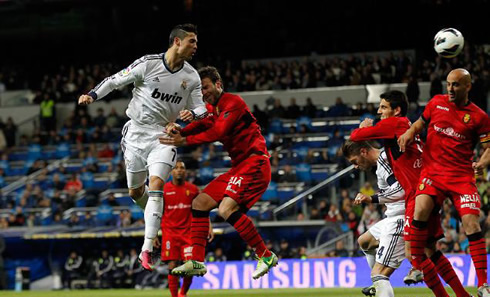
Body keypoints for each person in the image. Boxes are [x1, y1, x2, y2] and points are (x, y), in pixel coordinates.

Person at [78, 23, 207, 271]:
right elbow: (114, 81)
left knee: (157, 184)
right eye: (192, 41)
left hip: (163, 135)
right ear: (177, 42)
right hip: (136, 133)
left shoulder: (191, 77)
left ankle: (147, 248)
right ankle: (156, 220)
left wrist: (191, 113)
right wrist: (93, 95)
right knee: (136, 193)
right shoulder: (148, 64)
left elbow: (202, 108)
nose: (196, 46)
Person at [160, 66, 277, 279]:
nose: (203, 92)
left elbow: (218, 131)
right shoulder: (214, 110)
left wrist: (184, 140)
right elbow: (203, 124)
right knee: (199, 203)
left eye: (206, 87)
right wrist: (180, 130)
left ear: (218, 84)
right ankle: (196, 260)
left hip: (255, 163)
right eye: (200, 89)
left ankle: (265, 255)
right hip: (239, 167)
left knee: (225, 209)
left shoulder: (233, 103)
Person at [350, 90, 470, 297]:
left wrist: (364, 127)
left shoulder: (395, 124)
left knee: (413, 252)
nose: (379, 112)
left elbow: (356, 136)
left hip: (417, 194)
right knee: (430, 250)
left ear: (396, 110)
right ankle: (462, 294)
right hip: (428, 189)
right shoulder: (400, 129)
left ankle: (418, 271)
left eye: (383, 107)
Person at [398, 68, 490, 297]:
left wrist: (482, 162)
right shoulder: (436, 103)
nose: (450, 89)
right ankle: (417, 266)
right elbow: (420, 123)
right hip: (432, 173)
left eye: (456, 85)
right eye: (448, 84)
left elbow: (489, 148)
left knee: (472, 223)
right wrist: (410, 132)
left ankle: (483, 284)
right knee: (420, 208)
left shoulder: (479, 116)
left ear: (467, 87)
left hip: (461, 177)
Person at [342, 140, 406, 297]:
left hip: (401, 217)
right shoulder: (383, 160)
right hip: (393, 215)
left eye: (354, 162)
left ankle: (380, 283)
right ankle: (379, 285)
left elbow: (401, 190)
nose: (356, 166)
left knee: (379, 274)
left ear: (363, 152)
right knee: (364, 241)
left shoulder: (384, 161)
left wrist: (371, 198)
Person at [154, 160, 214, 297]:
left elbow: (203, 207)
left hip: (189, 234)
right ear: (171, 172)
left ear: (185, 171)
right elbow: (156, 212)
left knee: (190, 265)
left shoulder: (192, 189)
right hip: (170, 234)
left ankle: (183, 293)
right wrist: (153, 234)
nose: (179, 170)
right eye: (176, 168)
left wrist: (209, 226)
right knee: (172, 265)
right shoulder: (164, 190)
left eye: (182, 167)